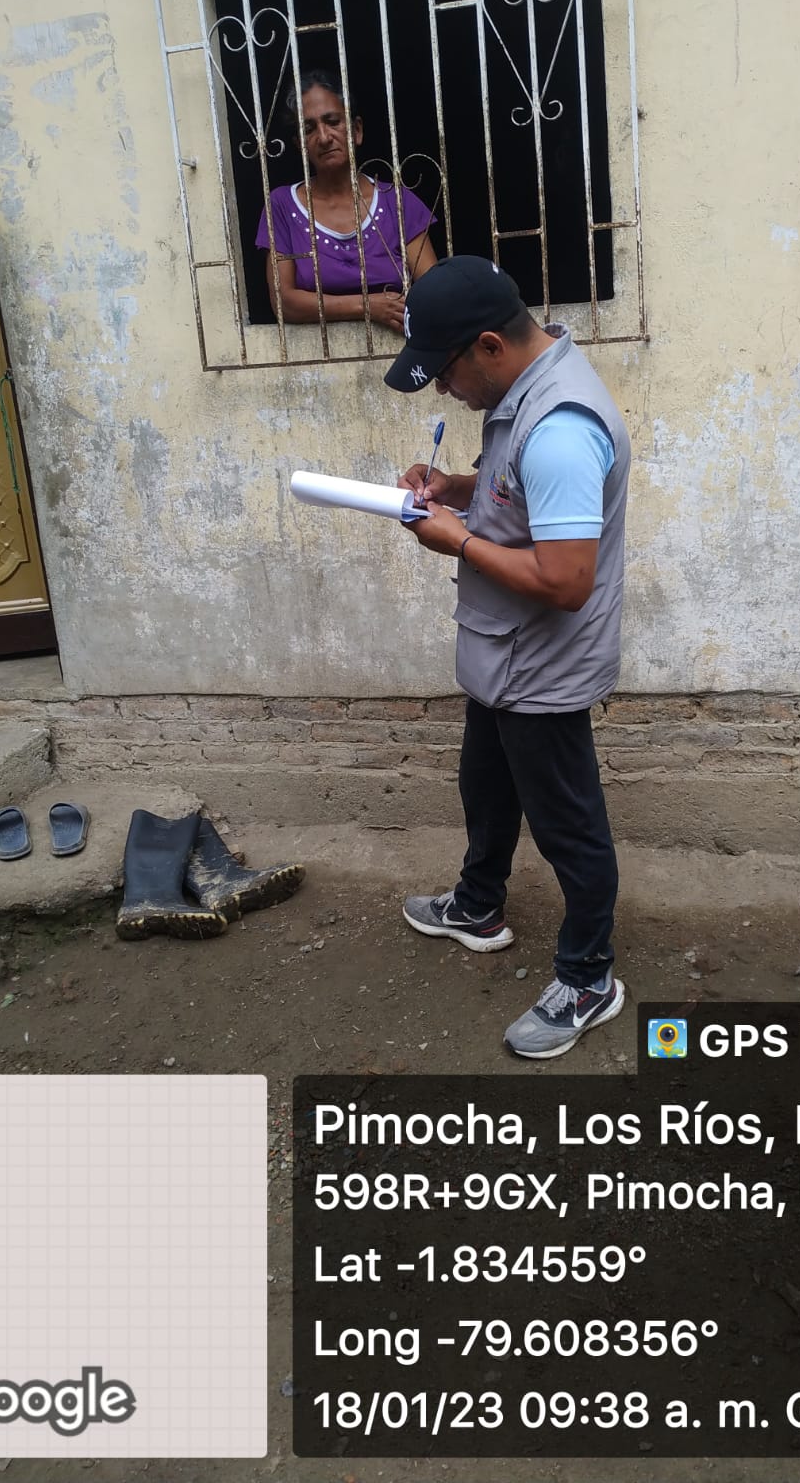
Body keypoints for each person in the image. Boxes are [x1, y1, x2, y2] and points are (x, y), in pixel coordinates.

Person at [386, 256, 631, 1060]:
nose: (442, 388)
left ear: (489, 346)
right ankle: (478, 904)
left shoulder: (559, 430)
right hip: (503, 654)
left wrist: (454, 540)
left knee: (569, 829)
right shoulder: (525, 391)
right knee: (485, 787)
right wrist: (458, 489)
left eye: (446, 370)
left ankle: (588, 977)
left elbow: (565, 580)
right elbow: (518, 496)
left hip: (541, 669)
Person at [256, 69, 437, 334]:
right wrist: (368, 306)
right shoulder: (282, 205)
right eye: (309, 129)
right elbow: (284, 303)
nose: (324, 137)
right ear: (299, 144)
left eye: (332, 122)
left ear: (357, 130)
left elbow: (434, 293)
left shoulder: (397, 201)